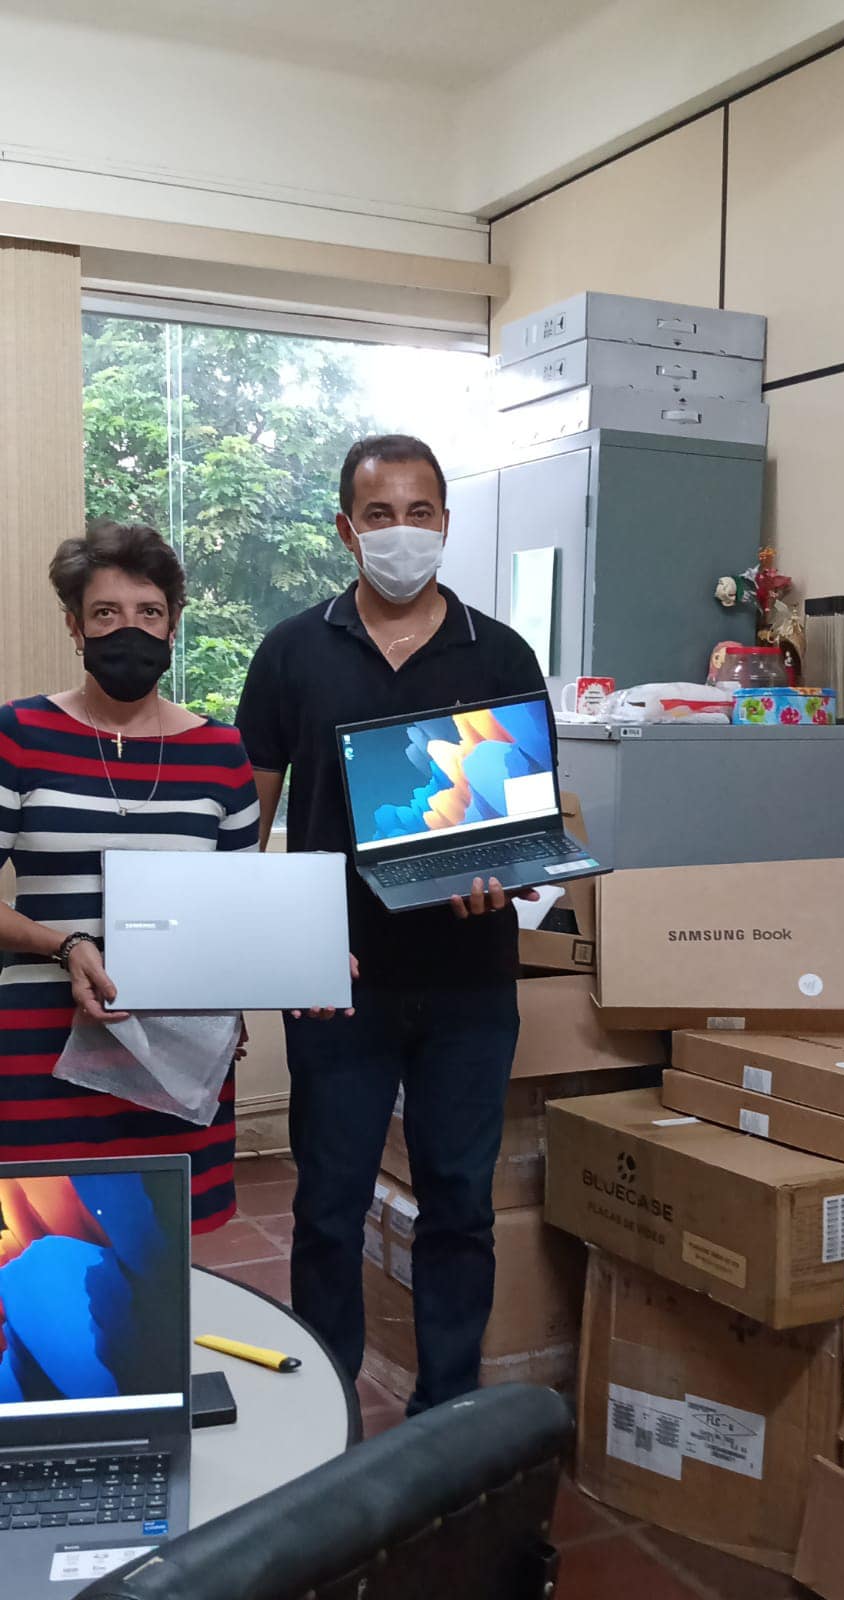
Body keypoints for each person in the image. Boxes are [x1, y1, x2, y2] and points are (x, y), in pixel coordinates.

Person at [236, 433, 549, 1410]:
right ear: (346, 528)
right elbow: (247, 827)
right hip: (339, 982)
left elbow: (523, 819)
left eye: (420, 513)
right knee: (329, 1210)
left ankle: (445, 1418)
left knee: (460, 1206)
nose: (401, 532)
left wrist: (505, 874)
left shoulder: (500, 652)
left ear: (446, 524)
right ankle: (327, 1416)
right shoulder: (291, 652)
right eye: (380, 515)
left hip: (470, 979)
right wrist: (281, 946)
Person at [0, 521, 260, 1231]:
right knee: (42, 1252)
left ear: (174, 625)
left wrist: (304, 965)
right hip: (40, 1047)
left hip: (174, 1048)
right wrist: (65, 945)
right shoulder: (18, 735)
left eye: (149, 612)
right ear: (74, 627)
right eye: (106, 613)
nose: (130, 631)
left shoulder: (222, 752)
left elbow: (240, 910)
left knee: (165, 1256)